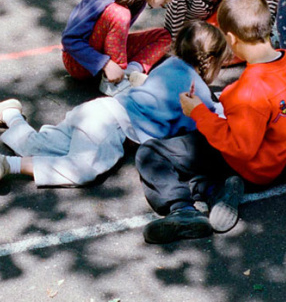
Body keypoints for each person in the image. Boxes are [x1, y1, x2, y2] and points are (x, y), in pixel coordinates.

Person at [136, 0, 286, 244]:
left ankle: (182, 210)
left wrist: (197, 111)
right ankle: (214, 190)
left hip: (248, 165)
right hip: (277, 159)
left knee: (152, 152)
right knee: (194, 166)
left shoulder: (248, 91)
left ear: (230, 38)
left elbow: (239, 147)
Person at [0, 21, 227, 187]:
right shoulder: (198, 89)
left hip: (98, 110)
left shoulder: (170, 65)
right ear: (211, 62)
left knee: (38, 146)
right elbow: (214, 121)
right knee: (81, 170)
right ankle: (9, 165)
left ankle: (11, 114)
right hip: (113, 127)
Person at [61, 0, 184, 96]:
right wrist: (105, 63)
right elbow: (69, 40)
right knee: (120, 14)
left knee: (163, 36)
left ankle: (129, 73)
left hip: (104, 53)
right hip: (79, 62)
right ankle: (112, 83)